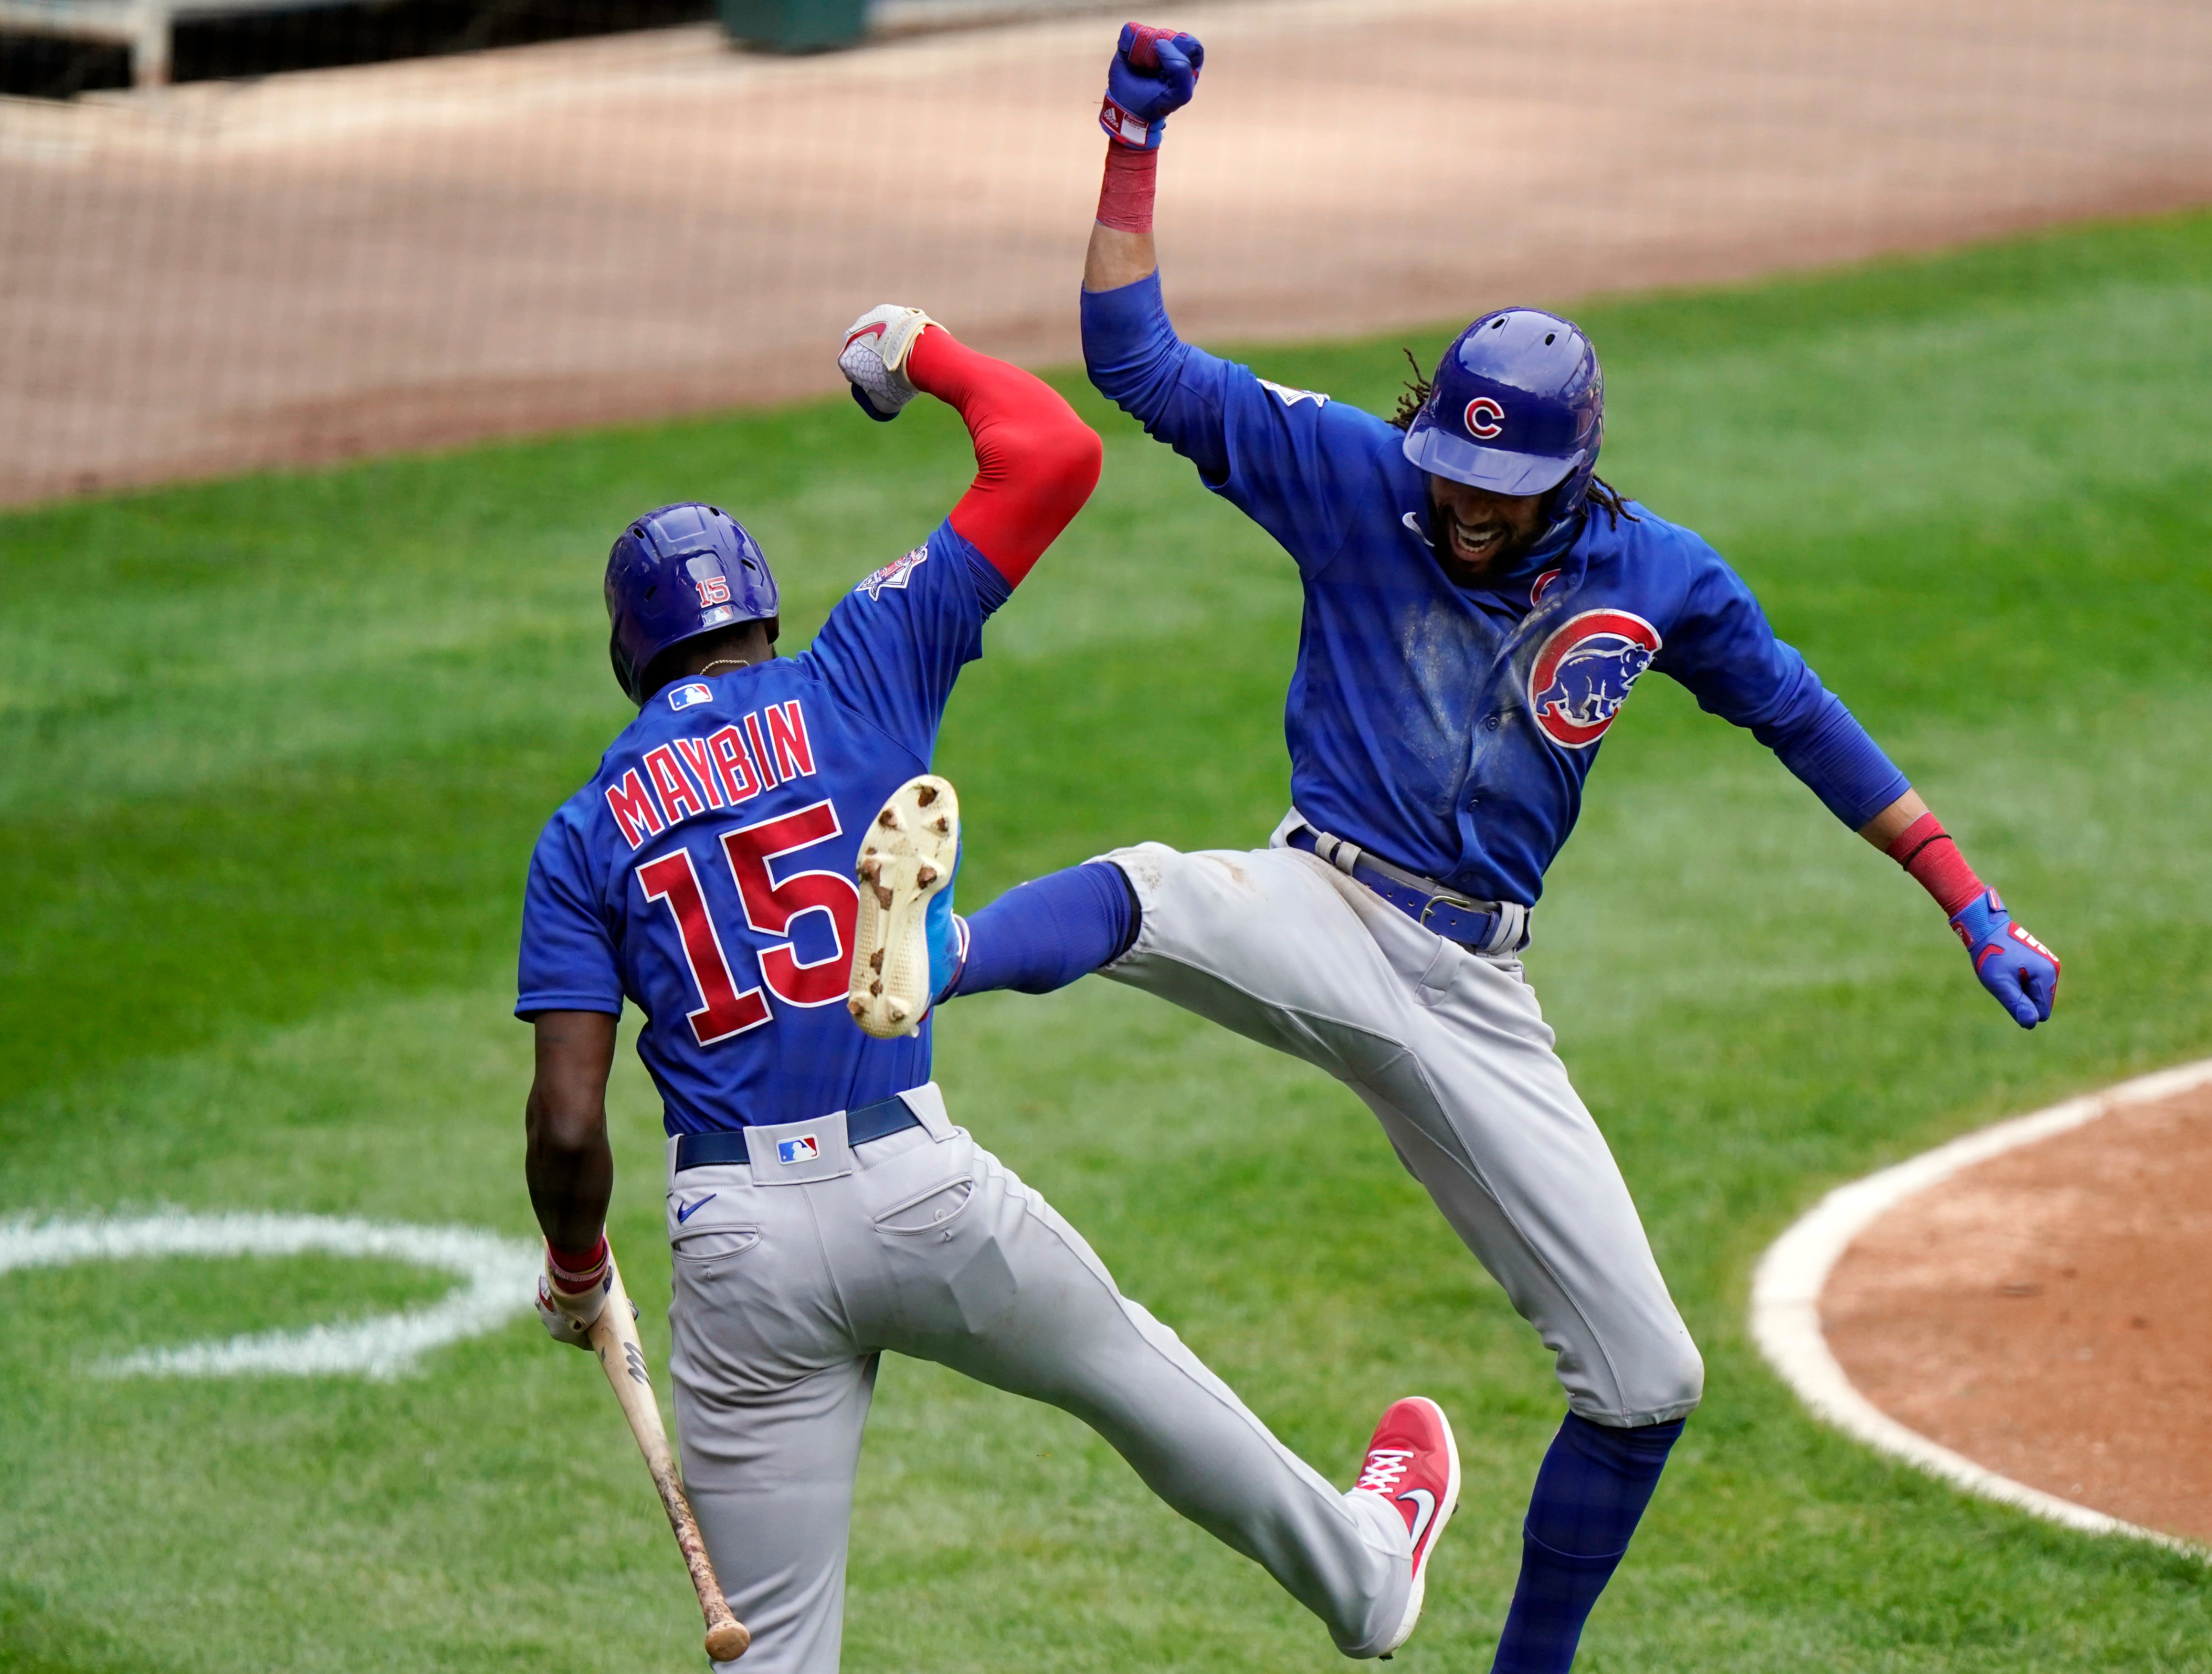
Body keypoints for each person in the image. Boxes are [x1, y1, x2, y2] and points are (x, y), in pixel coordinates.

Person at [884, 25, 2063, 1674]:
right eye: (1453, 467)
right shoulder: (1360, 477)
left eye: (1503, 489)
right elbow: (1137, 358)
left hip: (1479, 985)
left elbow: (1801, 715)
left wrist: (1968, 896)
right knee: (1157, 891)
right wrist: (1132, 138)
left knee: (1651, 1382)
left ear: (1573, 477)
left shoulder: (1659, 577)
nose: (1465, 506)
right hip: (1317, 893)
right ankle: (935, 954)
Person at [516, 304, 1461, 1674]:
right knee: (1134, 1376)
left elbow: (565, 1124)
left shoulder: (584, 829)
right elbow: (1054, 452)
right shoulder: (854, 667)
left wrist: (575, 1270)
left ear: (627, 659)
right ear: (762, 615)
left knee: (769, 1653)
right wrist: (925, 352)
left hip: (738, 1245)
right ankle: (1366, 1578)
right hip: (921, 1190)